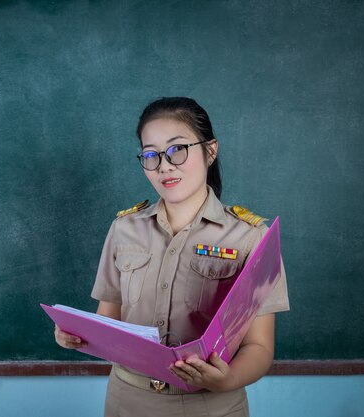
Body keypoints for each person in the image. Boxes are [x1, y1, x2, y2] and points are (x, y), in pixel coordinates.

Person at [54, 97, 290, 417]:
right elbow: (108, 320)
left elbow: (260, 347)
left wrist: (227, 379)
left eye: (177, 149)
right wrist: (78, 334)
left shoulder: (250, 237)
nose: (164, 165)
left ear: (210, 150)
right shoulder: (124, 228)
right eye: (150, 155)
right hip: (128, 400)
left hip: (211, 405)